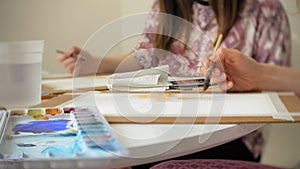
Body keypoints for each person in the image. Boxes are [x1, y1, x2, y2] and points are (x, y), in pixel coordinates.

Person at [57, 0, 291, 167]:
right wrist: (97, 63)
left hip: (230, 135)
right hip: (164, 124)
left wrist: (242, 81)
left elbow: (276, 89)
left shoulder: (265, 9)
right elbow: (147, 55)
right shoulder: (167, 5)